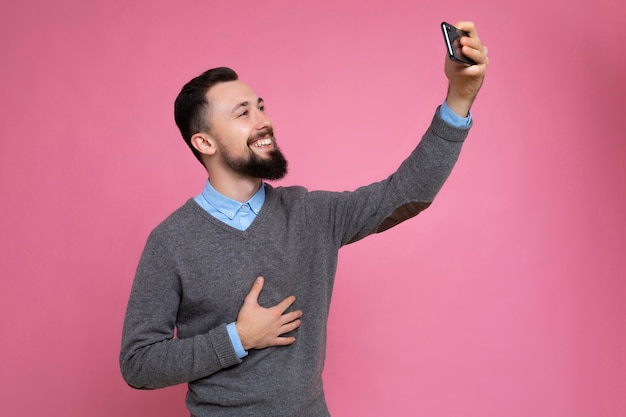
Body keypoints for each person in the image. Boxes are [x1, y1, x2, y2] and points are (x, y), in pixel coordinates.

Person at [120, 21, 488, 417]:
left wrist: (459, 99)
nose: (263, 120)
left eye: (260, 106)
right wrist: (239, 337)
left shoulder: (311, 214)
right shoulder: (171, 242)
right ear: (204, 142)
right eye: (243, 113)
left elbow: (407, 192)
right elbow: (139, 364)